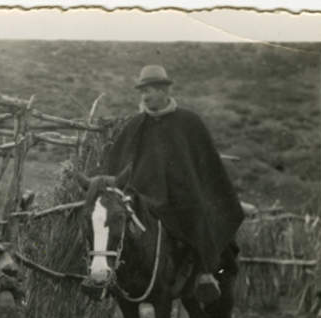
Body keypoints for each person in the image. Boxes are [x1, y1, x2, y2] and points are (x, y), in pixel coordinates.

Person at [97, 65, 244, 303]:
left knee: (197, 212)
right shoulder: (134, 125)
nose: (147, 95)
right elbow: (116, 164)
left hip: (181, 198)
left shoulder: (189, 122)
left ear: (166, 91)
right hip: (142, 197)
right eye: (143, 91)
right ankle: (109, 274)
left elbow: (207, 166)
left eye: (153, 90)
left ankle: (204, 272)